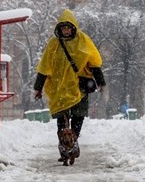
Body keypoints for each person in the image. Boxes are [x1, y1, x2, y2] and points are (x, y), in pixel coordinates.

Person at [34, 9, 106, 164]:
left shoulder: (83, 41)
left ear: (73, 28)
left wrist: (100, 81)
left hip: (79, 88)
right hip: (59, 89)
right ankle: (63, 148)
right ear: (59, 29)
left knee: (78, 118)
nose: (65, 31)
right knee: (61, 120)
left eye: (68, 28)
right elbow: (44, 67)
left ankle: (73, 144)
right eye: (63, 28)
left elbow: (94, 63)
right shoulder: (54, 45)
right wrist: (38, 87)